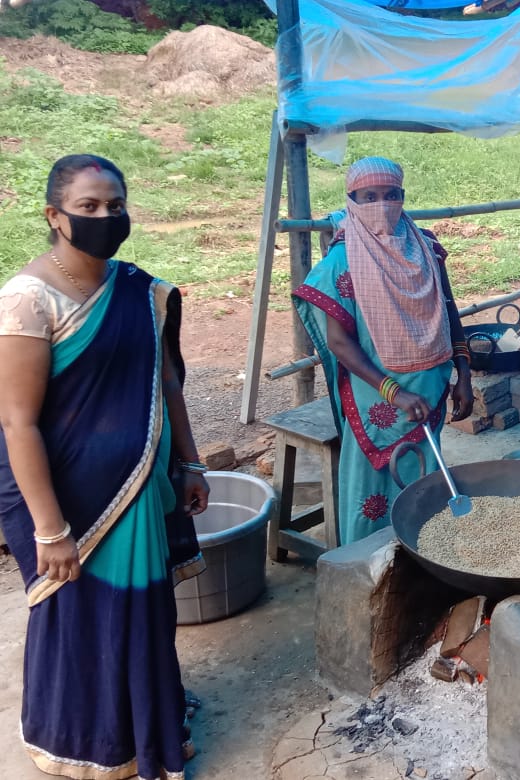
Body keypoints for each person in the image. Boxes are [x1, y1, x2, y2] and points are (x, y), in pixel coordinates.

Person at [0, 154, 210, 778]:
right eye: (88, 207)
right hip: (69, 505)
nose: (104, 217)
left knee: (145, 614)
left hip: (140, 490)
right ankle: (84, 741)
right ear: (54, 216)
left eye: (114, 206)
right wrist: (50, 530)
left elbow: (167, 384)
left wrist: (191, 464)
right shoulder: (27, 301)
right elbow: (18, 422)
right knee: (79, 620)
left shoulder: (140, 292)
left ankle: (151, 725)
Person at [293, 156, 474, 545]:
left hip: (429, 389)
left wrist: (464, 374)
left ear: (403, 197)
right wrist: (394, 391)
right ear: (352, 200)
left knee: (424, 477)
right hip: (375, 393)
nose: (382, 205)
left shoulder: (426, 249)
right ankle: (366, 567)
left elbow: (448, 310)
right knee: (371, 491)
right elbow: (339, 342)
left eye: (391, 195)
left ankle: (423, 555)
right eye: (369, 196)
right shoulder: (341, 262)